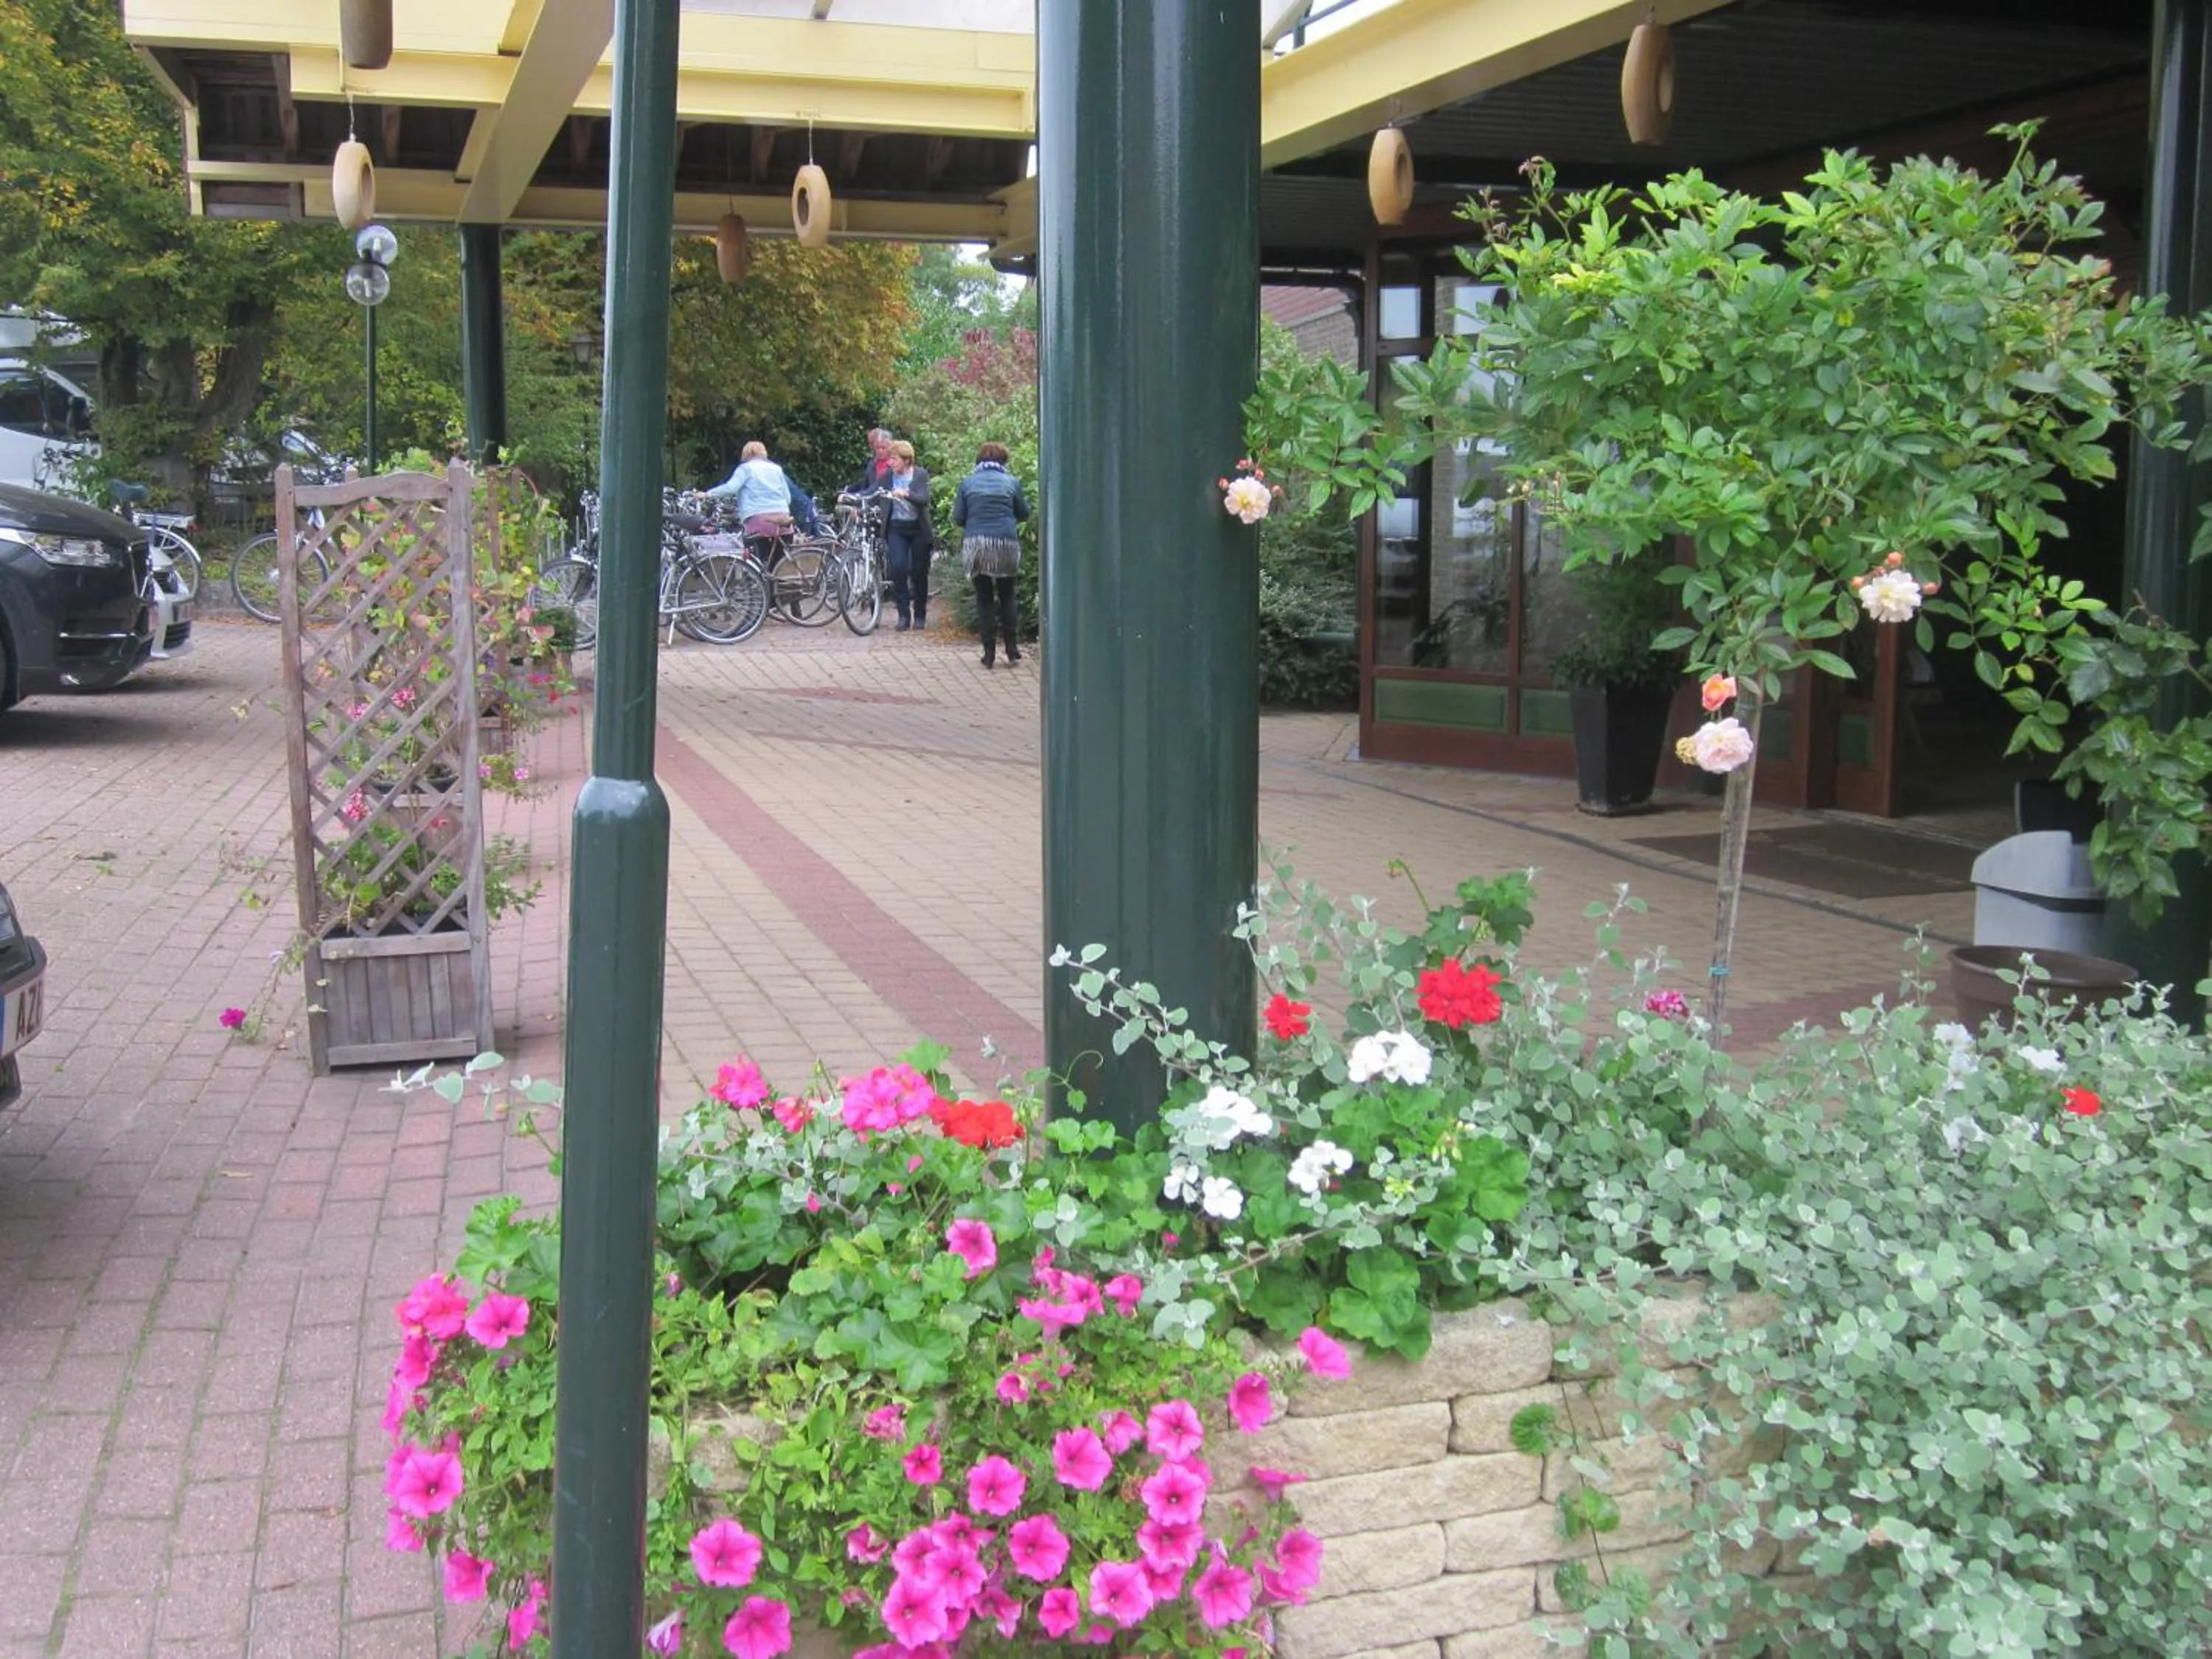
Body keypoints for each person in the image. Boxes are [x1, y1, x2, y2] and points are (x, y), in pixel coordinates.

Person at [953, 441, 1029, 669]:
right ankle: (1012, 649)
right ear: (1003, 461)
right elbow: (1024, 513)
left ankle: (988, 653)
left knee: (984, 597)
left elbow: (958, 517)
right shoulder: (1012, 482)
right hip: (1005, 542)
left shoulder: (967, 484)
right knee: (1008, 595)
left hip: (977, 543)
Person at [883, 439, 933, 633]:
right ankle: (903, 614)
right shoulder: (889, 475)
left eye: (894, 459)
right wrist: (851, 496)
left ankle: (920, 614)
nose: (891, 463)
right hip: (896, 528)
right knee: (898, 568)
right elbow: (873, 490)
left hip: (918, 529)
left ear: (906, 460)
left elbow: (923, 499)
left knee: (919, 572)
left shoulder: (920, 475)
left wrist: (906, 494)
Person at [704, 440, 795, 544]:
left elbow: (731, 488)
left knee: (755, 555)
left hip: (758, 519)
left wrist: (707, 494)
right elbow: (787, 498)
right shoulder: (776, 469)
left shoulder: (745, 469)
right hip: (783, 517)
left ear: (746, 454)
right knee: (781, 558)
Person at [849, 428, 896, 495]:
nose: (880, 451)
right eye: (878, 447)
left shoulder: (895, 466)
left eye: (883, 448)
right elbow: (864, 484)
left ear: (890, 447)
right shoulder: (872, 464)